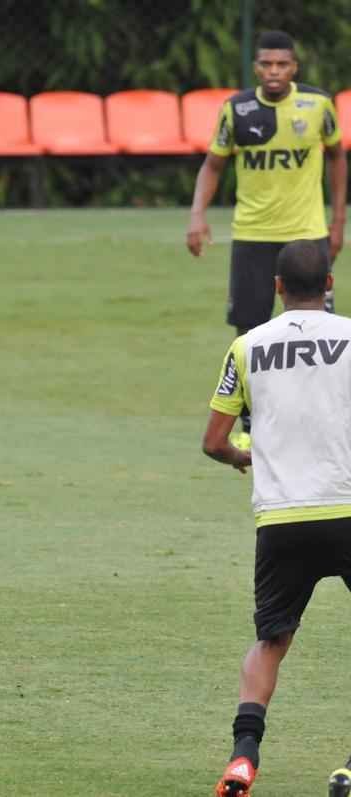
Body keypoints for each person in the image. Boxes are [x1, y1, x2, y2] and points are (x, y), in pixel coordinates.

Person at [203, 241, 351, 796]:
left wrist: (246, 455)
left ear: (276, 287)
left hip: (282, 519)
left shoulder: (247, 346)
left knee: (270, 643)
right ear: (330, 283)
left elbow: (214, 441)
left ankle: (243, 757)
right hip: (348, 506)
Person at [187, 29, 347, 450]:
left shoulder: (317, 106)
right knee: (250, 333)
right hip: (253, 236)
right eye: (266, 65)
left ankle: (324, 418)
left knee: (320, 332)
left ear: (294, 67)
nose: (274, 72)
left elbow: (336, 157)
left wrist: (338, 220)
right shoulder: (236, 109)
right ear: (256, 67)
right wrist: (197, 215)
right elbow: (213, 166)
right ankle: (251, 423)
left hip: (307, 232)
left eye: (282, 65)